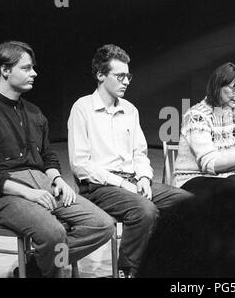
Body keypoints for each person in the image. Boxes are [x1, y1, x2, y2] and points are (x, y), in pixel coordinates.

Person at [0, 41, 115, 278]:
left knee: (102, 225)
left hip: (41, 182)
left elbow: (47, 155)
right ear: (5, 70)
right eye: (26, 68)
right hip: (2, 193)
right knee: (54, 234)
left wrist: (57, 178)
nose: (34, 73)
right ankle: (48, 264)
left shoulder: (35, 112)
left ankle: (36, 266)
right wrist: (28, 193)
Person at [67, 44, 192, 278]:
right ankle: (129, 271)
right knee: (145, 211)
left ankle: (163, 263)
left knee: (187, 203)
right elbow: (80, 164)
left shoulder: (130, 110)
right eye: (120, 76)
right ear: (100, 75)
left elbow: (140, 154)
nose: (127, 81)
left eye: (128, 76)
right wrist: (123, 184)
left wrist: (145, 178)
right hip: (99, 186)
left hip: (134, 180)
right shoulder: (82, 108)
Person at [173, 62, 235, 194]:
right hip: (192, 180)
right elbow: (210, 164)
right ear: (218, 86)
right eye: (234, 89)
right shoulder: (196, 115)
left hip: (226, 179)